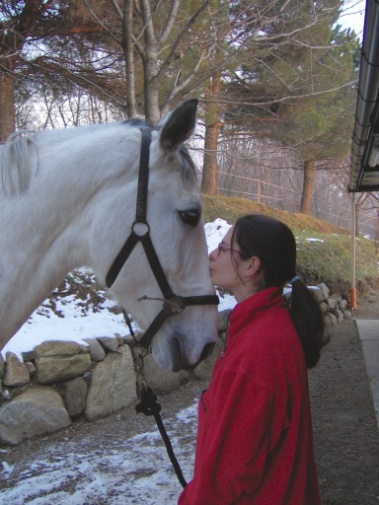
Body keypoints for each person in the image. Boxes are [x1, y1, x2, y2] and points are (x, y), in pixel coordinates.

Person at [178, 214, 328, 505]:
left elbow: (226, 477)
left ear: (251, 265)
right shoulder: (265, 326)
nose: (212, 254)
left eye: (222, 249)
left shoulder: (259, 350)